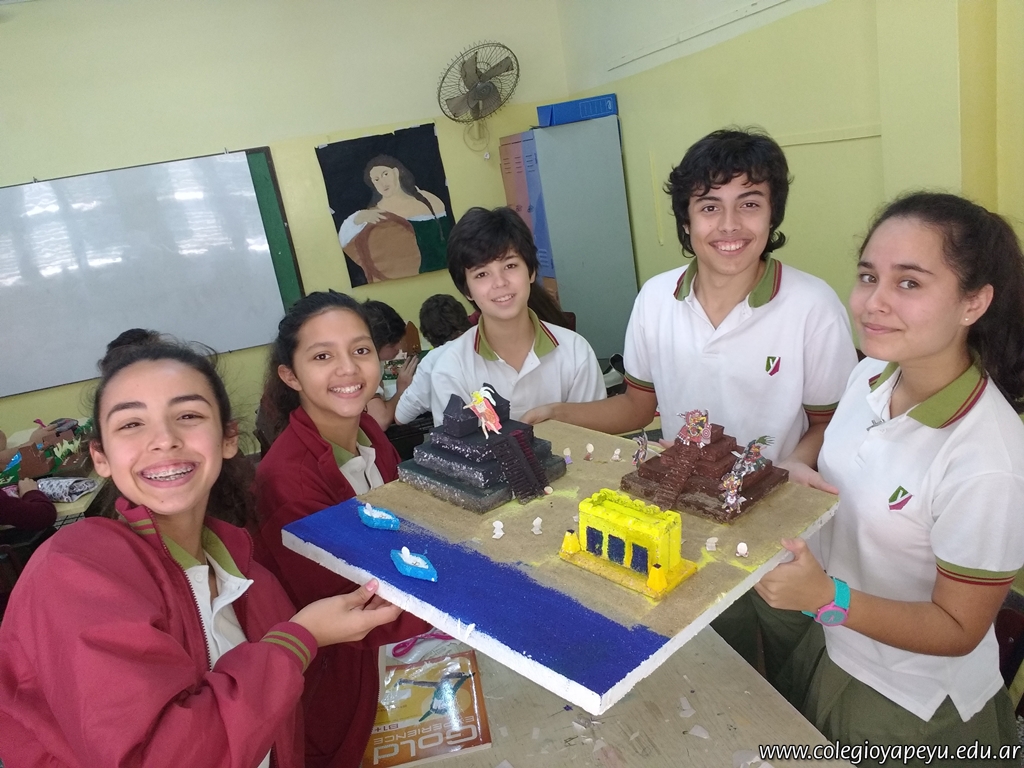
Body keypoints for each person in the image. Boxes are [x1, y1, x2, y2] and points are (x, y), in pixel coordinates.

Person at [0, 340, 403, 768]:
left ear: (228, 438)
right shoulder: (74, 572)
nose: (164, 440)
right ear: (100, 457)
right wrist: (296, 641)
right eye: (132, 424)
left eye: (188, 416)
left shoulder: (251, 580)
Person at [756, 193, 1024, 764]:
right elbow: (850, 456)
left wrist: (827, 599)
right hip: (833, 645)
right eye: (867, 276)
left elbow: (959, 628)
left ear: (974, 302)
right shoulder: (873, 375)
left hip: (912, 701)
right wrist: (801, 467)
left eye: (909, 283)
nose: (873, 303)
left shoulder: (987, 457)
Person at [524, 128, 857, 481]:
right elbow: (637, 407)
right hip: (683, 494)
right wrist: (557, 414)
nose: (729, 225)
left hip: (774, 497)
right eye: (710, 207)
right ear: (687, 221)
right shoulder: (655, 298)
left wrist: (792, 467)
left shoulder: (813, 306)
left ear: (772, 215)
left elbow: (832, 421)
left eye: (749, 204)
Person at [254, 291, 430, 768]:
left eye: (360, 350)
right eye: (322, 357)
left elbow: (402, 531)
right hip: (332, 681)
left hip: (386, 655)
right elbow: (353, 609)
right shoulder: (288, 482)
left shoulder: (369, 434)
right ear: (290, 376)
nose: (348, 369)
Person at [425, 206, 606, 425]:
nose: (500, 282)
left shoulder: (576, 352)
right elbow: (456, 445)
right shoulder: (451, 369)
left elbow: (594, 439)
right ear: (466, 290)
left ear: (531, 271)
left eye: (510, 265)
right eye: (482, 274)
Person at [339, 155, 451, 282]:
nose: (382, 183)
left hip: (443, 274)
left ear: (396, 172)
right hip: (405, 280)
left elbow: (446, 238)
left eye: (385, 174)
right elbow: (346, 244)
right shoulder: (375, 214)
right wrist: (356, 219)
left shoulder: (429, 200)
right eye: (376, 180)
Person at [393, 294, 471, 425]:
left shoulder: (431, 362)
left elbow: (401, 418)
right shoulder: (487, 341)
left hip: (459, 436)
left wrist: (402, 388)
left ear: (427, 335)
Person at [362, 298, 417, 430]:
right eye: (393, 344)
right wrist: (402, 389)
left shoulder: (374, 361)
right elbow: (380, 421)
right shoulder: (365, 368)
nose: (399, 347)